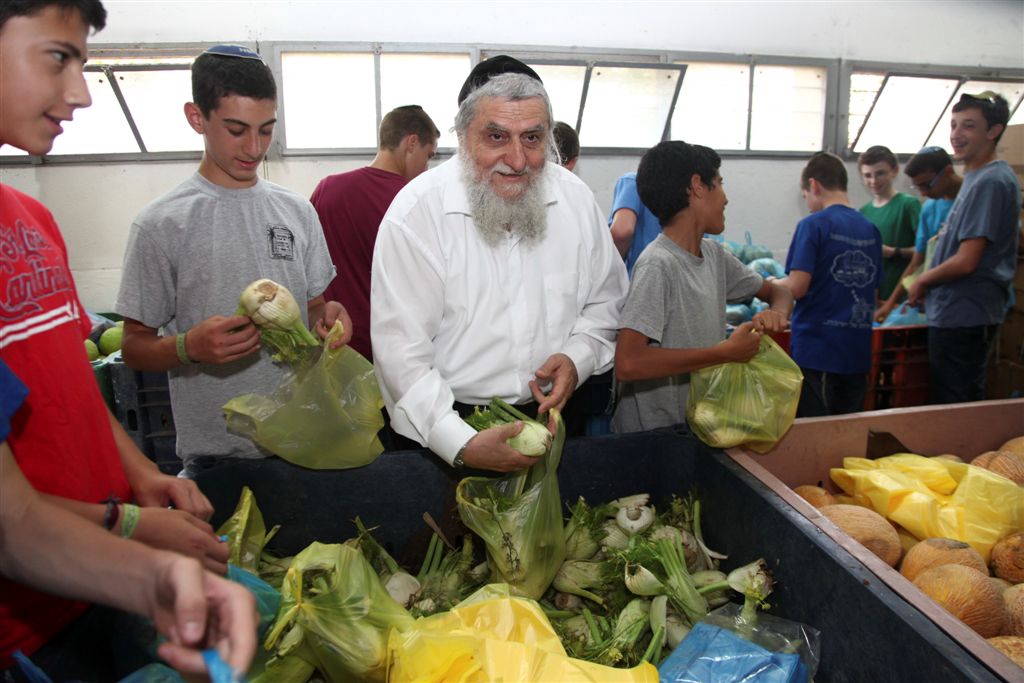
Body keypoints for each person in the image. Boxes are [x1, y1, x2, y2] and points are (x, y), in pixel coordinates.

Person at [0, 1, 241, 675]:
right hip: (23, 622)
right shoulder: (161, 222)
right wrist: (126, 525)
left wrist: (142, 477)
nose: (80, 92)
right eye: (57, 57)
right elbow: (10, 522)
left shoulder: (31, 218)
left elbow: (74, 385)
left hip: (99, 579)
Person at [371, 56, 628, 473]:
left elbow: (606, 303)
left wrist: (577, 358)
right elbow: (400, 355)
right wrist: (460, 442)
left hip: (556, 418)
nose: (518, 158)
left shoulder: (575, 202)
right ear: (462, 136)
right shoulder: (417, 214)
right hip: (447, 430)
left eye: (532, 138)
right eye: (496, 136)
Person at [116, 44, 352, 478]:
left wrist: (330, 318)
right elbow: (133, 345)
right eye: (237, 129)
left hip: (304, 441)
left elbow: (317, 306)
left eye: (266, 130)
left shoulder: (297, 211)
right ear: (196, 118)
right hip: (217, 455)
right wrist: (188, 347)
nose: (254, 147)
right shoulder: (162, 223)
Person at [0, 362, 256, 679]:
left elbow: (15, 518)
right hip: (23, 633)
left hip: (82, 578)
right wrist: (132, 526)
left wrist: (160, 576)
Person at [612, 141, 792, 433]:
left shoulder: (714, 256)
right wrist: (724, 352)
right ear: (697, 186)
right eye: (720, 184)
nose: (726, 198)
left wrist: (777, 314)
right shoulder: (659, 265)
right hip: (653, 439)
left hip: (698, 427)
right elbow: (628, 363)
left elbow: (780, 291)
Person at [908, 92, 1022, 404]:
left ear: (993, 131)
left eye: (968, 126)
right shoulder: (976, 176)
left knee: (954, 403)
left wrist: (923, 279)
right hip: (954, 311)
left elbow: (967, 260)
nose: (956, 135)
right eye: (954, 125)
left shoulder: (991, 181)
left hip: (967, 312)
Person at [311, 105, 439, 361]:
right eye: (428, 156)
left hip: (331, 338)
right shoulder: (410, 203)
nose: (426, 169)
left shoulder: (327, 188)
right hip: (384, 350)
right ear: (411, 143)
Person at [774, 152, 882, 417]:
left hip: (819, 351)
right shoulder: (871, 230)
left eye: (805, 196)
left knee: (815, 434)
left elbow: (797, 286)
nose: (808, 204)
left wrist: (772, 283)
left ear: (814, 185)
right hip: (856, 353)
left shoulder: (813, 225)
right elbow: (875, 294)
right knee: (846, 435)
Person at [874, 146, 962, 322]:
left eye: (926, 185)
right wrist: (889, 304)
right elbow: (917, 261)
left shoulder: (972, 199)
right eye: (917, 187)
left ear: (948, 171)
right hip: (939, 305)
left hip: (969, 304)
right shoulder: (929, 209)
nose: (923, 193)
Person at [858, 145, 921, 302]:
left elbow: (930, 251)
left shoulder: (908, 205)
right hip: (874, 298)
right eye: (867, 175)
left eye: (880, 173)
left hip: (904, 297)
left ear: (894, 171)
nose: (873, 181)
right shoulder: (863, 212)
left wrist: (894, 252)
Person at [609, 170, 662, 278]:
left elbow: (621, 232)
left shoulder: (633, 182)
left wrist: (610, 274)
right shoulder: (697, 191)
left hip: (640, 279)